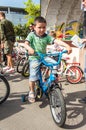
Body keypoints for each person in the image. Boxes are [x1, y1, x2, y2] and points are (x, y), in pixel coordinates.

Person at [24, 16, 72, 103]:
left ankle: (53, 80)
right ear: (34, 27)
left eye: (44, 27)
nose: (42, 30)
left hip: (44, 56)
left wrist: (67, 45)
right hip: (35, 57)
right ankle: (31, 91)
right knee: (33, 76)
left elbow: (56, 41)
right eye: (39, 27)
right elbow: (25, 44)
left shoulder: (47, 37)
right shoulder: (31, 35)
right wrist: (29, 48)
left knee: (55, 63)